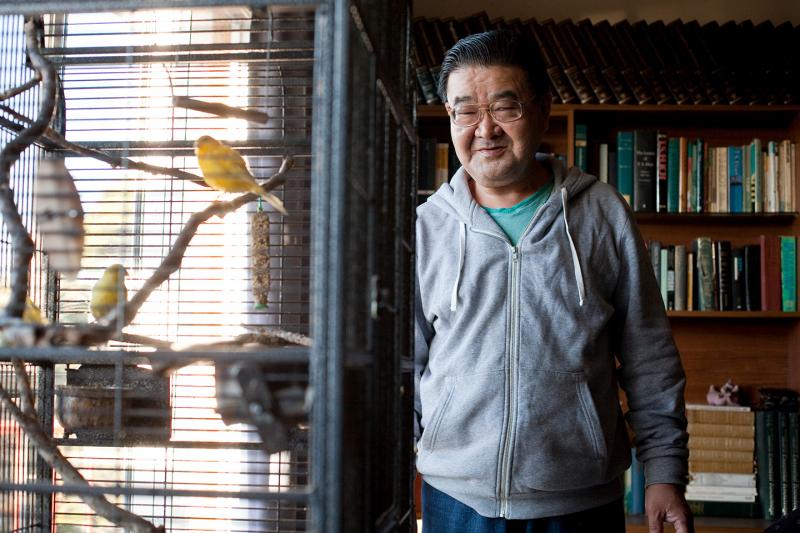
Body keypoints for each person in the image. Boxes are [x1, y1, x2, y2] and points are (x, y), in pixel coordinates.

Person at [414, 30, 693, 533]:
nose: (485, 130)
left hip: (580, 502)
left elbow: (649, 355)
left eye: (505, 107)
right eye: (465, 111)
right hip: (454, 501)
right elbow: (403, 368)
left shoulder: (602, 213)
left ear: (542, 109)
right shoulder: (426, 227)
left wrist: (664, 473)